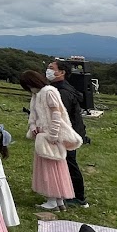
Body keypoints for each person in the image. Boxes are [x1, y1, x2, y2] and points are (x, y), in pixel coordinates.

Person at [21, 69, 83, 211]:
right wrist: (33, 126)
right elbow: (34, 115)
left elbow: (57, 114)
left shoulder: (48, 92)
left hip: (49, 135)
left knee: (51, 168)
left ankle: (53, 199)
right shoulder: (36, 94)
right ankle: (58, 200)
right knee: (53, 167)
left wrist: (53, 134)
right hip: (43, 135)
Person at [48, 59, 89, 208]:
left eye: (52, 68)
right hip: (69, 131)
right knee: (65, 163)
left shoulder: (63, 92)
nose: (49, 70)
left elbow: (60, 115)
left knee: (70, 164)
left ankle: (78, 197)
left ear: (62, 72)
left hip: (68, 132)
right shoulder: (57, 87)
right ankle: (66, 191)